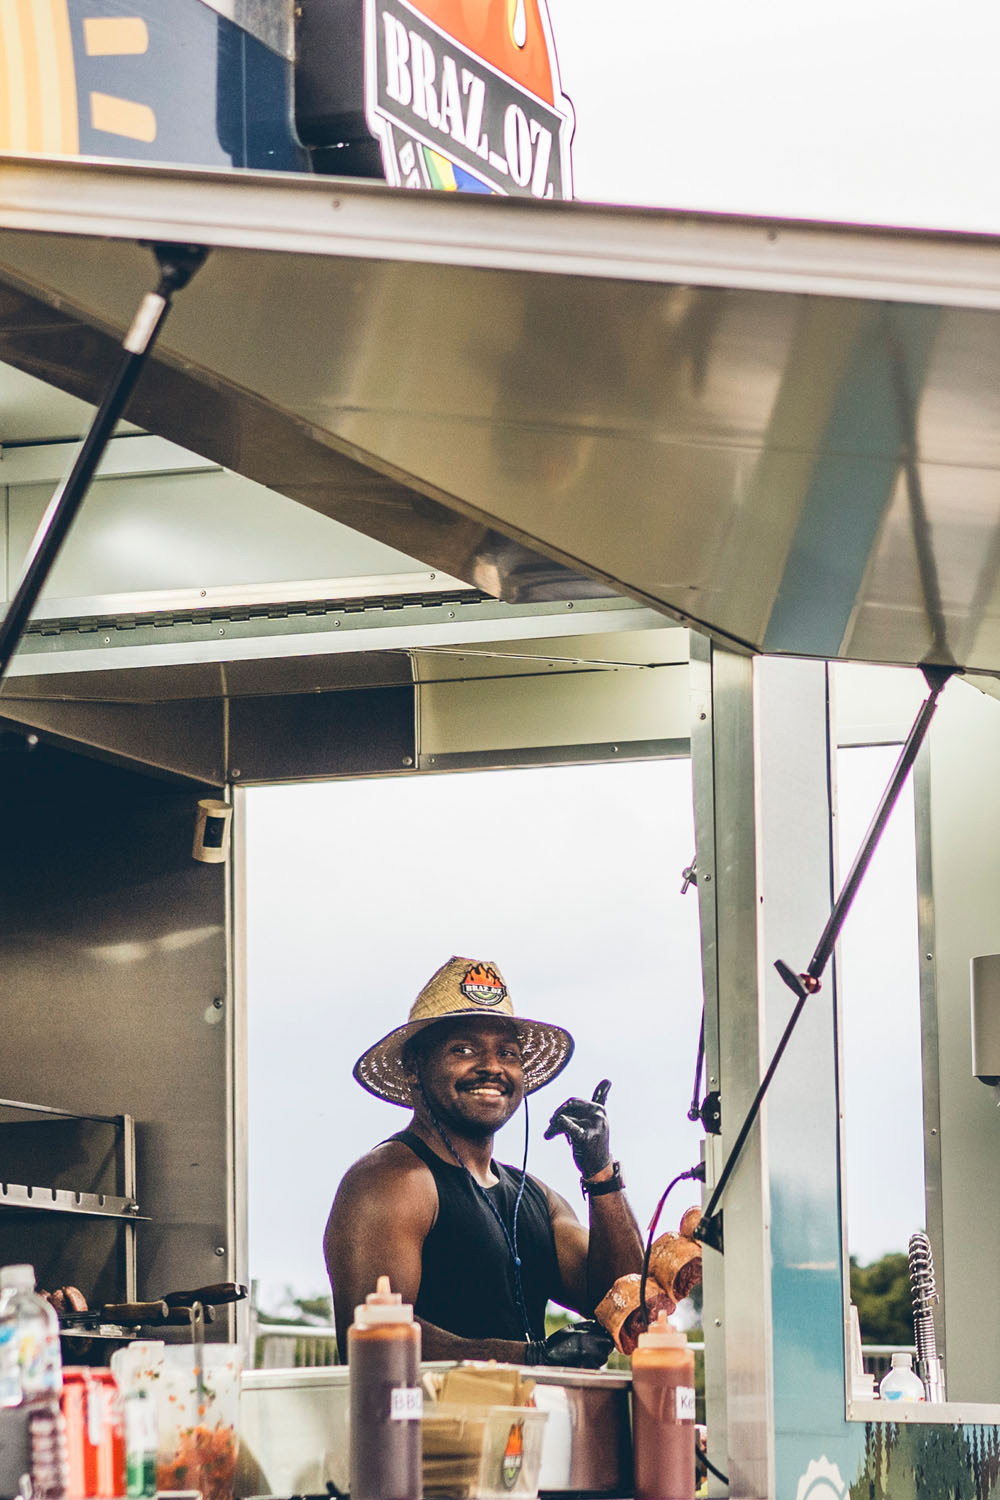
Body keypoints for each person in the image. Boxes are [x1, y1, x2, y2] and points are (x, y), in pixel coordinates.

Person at [324, 955, 644, 1365]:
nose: (491, 1066)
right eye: (463, 1049)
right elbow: (369, 1337)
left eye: (508, 1053)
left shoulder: (538, 1200)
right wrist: (531, 1357)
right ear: (413, 1068)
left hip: (523, 1425)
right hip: (428, 1428)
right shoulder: (391, 1179)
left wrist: (601, 1175)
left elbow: (629, 1305)